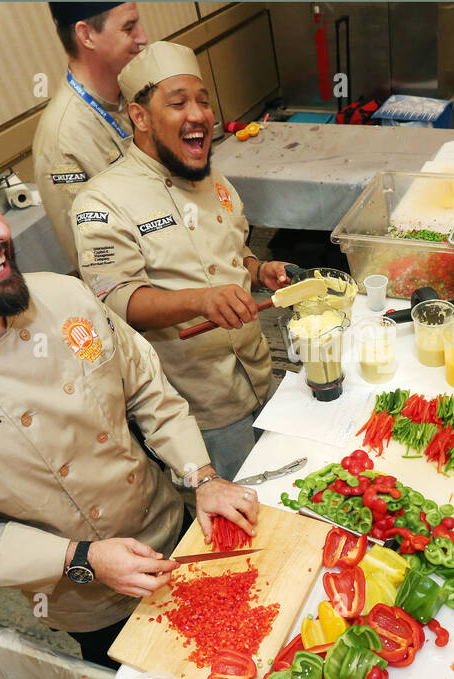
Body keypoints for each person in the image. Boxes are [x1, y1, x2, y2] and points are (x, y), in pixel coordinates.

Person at [0, 128, 259, 667]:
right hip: (90, 598)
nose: (0, 229)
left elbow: (148, 389)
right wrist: (81, 559)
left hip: (180, 526)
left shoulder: (64, 294)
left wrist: (202, 478)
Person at [71, 42, 292, 479]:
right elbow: (116, 302)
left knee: (283, 485)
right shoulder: (102, 200)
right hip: (197, 406)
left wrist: (259, 271)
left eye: (203, 102)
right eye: (178, 103)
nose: (198, 115)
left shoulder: (209, 174)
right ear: (140, 117)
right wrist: (201, 301)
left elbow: (236, 252)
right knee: (235, 516)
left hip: (260, 373)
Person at [33, 2, 148, 266]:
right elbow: (99, 266)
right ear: (86, 36)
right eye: (129, 28)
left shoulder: (136, 91)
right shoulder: (62, 142)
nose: (143, 37)